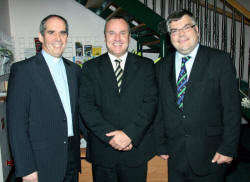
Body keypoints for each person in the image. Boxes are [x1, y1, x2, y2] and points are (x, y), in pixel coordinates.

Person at [154, 9, 241, 182]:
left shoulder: (220, 61)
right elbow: (159, 111)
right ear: (170, 36)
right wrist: (160, 145)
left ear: (197, 30)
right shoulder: (161, 67)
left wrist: (228, 148)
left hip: (210, 154)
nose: (181, 34)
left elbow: (232, 109)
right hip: (173, 156)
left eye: (186, 27)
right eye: (175, 30)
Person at [79, 16, 158, 182]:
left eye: (123, 33)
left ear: (129, 37)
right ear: (105, 37)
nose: (117, 38)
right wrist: (112, 138)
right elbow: (86, 107)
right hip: (103, 153)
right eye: (112, 33)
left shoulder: (146, 66)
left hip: (135, 152)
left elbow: (150, 104)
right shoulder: (90, 68)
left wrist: (129, 134)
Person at [7, 14, 85, 182]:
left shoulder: (75, 71)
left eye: (62, 33)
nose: (58, 38)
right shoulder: (23, 71)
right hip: (41, 162)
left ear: (67, 37)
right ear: (41, 36)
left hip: (71, 158)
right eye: (51, 32)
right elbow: (16, 125)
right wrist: (26, 168)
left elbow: (78, 113)